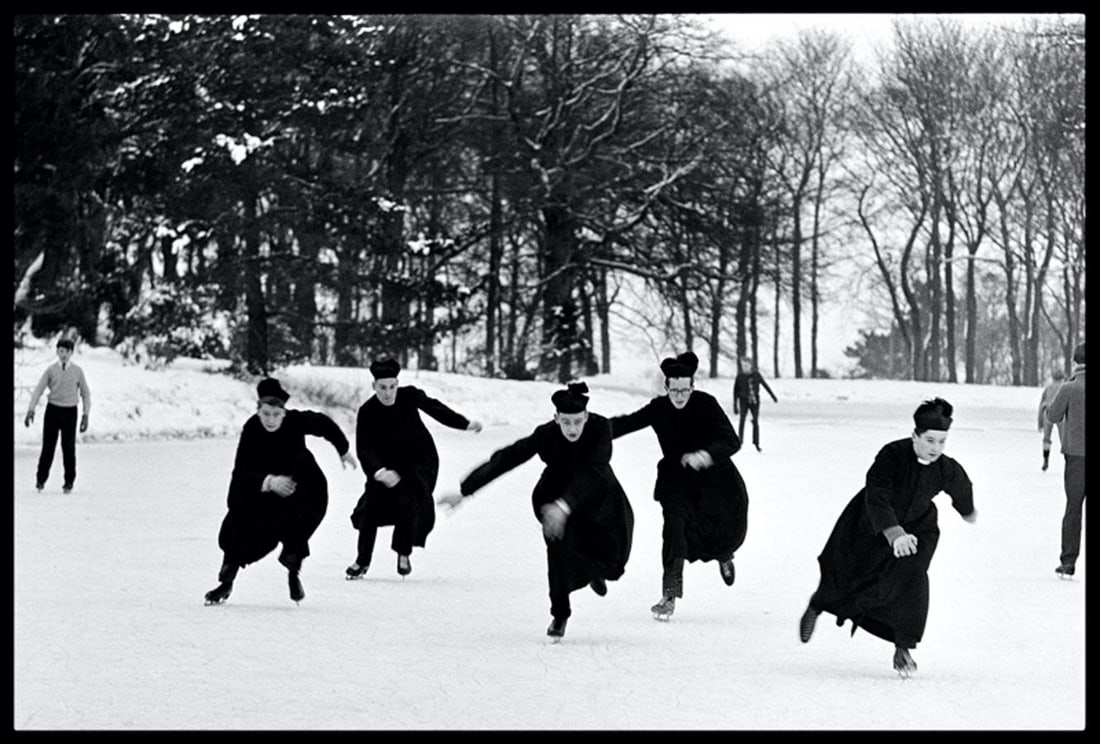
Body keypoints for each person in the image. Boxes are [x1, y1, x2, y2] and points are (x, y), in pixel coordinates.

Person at [437, 382, 634, 640]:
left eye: (577, 422)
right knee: (559, 550)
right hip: (553, 495)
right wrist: (466, 490)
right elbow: (508, 457)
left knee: (614, 565)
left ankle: (592, 572)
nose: (572, 429)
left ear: (586, 416)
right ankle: (560, 614)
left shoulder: (600, 428)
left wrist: (565, 505)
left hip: (600, 496)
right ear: (556, 418)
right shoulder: (546, 434)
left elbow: (593, 473)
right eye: (566, 422)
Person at [798, 397, 976, 678]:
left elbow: (961, 485)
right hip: (869, 526)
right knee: (849, 576)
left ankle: (903, 647)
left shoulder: (944, 467)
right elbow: (877, 495)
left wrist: (967, 509)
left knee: (912, 580)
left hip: (918, 530)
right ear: (915, 435)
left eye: (942, 442)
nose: (935, 448)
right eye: (930, 440)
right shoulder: (891, 455)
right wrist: (894, 533)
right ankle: (818, 604)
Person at [608, 351, 749, 621]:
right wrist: (592, 430)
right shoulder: (659, 409)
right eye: (675, 390)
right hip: (676, 482)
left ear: (693, 387)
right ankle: (669, 593)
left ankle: (724, 555)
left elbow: (732, 440)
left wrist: (705, 455)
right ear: (667, 388)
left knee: (720, 528)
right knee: (674, 531)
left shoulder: (706, 405)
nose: (680, 395)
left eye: (685, 389)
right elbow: (626, 423)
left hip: (715, 481)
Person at [204, 378, 358, 605]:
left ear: (284, 413)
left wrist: (343, 450)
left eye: (276, 415)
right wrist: (267, 482)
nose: (270, 420)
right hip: (267, 487)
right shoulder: (251, 429)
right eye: (266, 414)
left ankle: (293, 572)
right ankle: (226, 580)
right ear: (258, 410)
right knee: (238, 520)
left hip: (306, 486)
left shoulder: (295, 421)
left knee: (296, 522)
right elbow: (241, 473)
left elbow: (323, 423)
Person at [346, 358, 482, 580]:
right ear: (374, 386)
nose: (388, 393)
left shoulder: (409, 396)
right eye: (382, 388)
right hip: (385, 465)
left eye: (392, 387)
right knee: (370, 507)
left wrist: (464, 423)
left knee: (409, 501)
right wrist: (379, 472)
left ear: (397, 384)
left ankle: (403, 553)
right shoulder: (367, 411)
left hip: (418, 462)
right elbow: (365, 448)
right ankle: (362, 561)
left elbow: (436, 408)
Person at [24, 337, 92, 494]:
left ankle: (69, 482)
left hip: (70, 412)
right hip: (53, 410)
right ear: (57, 352)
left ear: (71, 353)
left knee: (68, 448)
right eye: (61, 351)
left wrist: (85, 415)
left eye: (66, 351)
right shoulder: (51, 370)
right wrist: (31, 409)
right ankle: (41, 480)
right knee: (48, 446)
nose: (63, 355)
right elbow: (39, 389)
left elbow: (85, 394)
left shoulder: (77, 371)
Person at [1045, 342, 1085, 579]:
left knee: (1073, 509)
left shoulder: (1069, 388)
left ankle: (1068, 562)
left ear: (1074, 362)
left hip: (1076, 458)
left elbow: (1053, 415)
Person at [732, 356, 778, 452]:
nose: (744, 368)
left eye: (746, 366)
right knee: (742, 420)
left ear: (750, 366)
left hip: (755, 401)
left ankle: (756, 443)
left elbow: (765, 385)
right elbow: (735, 391)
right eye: (743, 366)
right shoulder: (740, 377)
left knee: (756, 421)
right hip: (743, 400)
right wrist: (735, 405)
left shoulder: (756, 375)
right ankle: (740, 441)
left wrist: (773, 396)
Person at [1038, 366, 1066, 471]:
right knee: (1064, 439)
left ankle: (1046, 460)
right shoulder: (1065, 387)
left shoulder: (1048, 389)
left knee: (1046, 438)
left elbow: (1041, 405)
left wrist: (1040, 422)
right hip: (1061, 413)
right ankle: (1068, 460)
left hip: (1048, 412)